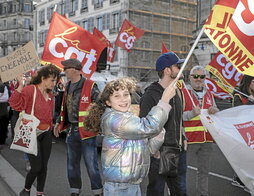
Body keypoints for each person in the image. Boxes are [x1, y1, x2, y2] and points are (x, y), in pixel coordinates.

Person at [84, 77, 177, 196]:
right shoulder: (114, 120)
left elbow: (146, 150)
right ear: (108, 102)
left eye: (126, 94)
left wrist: (158, 136)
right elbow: (149, 127)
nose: (123, 99)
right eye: (117, 96)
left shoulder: (130, 118)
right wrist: (164, 101)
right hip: (119, 188)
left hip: (133, 185)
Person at [139, 52, 188, 196]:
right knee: (156, 191)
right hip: (159, 154)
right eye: (177, 66)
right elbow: (144, 125)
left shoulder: (178, 91)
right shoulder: (150, 94)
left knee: (180, 191)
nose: (181, 69)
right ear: (167, 70)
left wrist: (183, 137)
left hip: (179, 151)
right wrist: (154, 151)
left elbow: (179, 119)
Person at [53, 58, 103, 196]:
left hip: (87, 133)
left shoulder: (90, 85)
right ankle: (74, 190)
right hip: (72, 131)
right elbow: (64, 108)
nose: (64, 71)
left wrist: (94, 121)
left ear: (74, 69)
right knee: (72, 165)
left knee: (91, 165)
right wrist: (58, 122)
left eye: (65, 69)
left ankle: (98, 192)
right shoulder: (67, 86)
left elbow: (100, 105)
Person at [9, 64, 60, 196]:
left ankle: (40, 193)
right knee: (36, 167)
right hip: (31, 133)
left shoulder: (50, 95)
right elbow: (15, 104)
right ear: (43, 78)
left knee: (44, 167)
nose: (54, 83)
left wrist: (53, 126)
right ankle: (26, 190)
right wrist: (20, 85)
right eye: (52, 80)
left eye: (55, 80)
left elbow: (48, 115)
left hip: (46, 133)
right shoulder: (30, 90)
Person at [182, 65, 219, 196]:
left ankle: (203, 194)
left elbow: (215, 111)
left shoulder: (209, 93)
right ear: (190, 77)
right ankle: (180, 193)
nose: (198, 79)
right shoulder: (182, 92)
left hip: (206, 139)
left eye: (201, 76)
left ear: (205, 78)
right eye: (195, 76)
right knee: (182, 171)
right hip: (188, 139)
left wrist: (215, 111)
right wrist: (191, 113)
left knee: (204, 171)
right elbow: (177, 116)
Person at [231, 75, 254, 189]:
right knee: (243, 156)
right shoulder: (238, 95)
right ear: (247, 82)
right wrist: (249, 101)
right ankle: (238, 178)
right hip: (242, 130)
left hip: (251, 128)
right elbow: (237, 111)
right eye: (253, 81)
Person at [0, 79, 9, 150]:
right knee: (3, 127)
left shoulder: (4, 86)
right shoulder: (4, 86)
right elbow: (6, 98)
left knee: (3, 126)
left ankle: (2, 142)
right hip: (4, 110)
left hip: (3, 110)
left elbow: (6, 98)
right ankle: (2, 142)